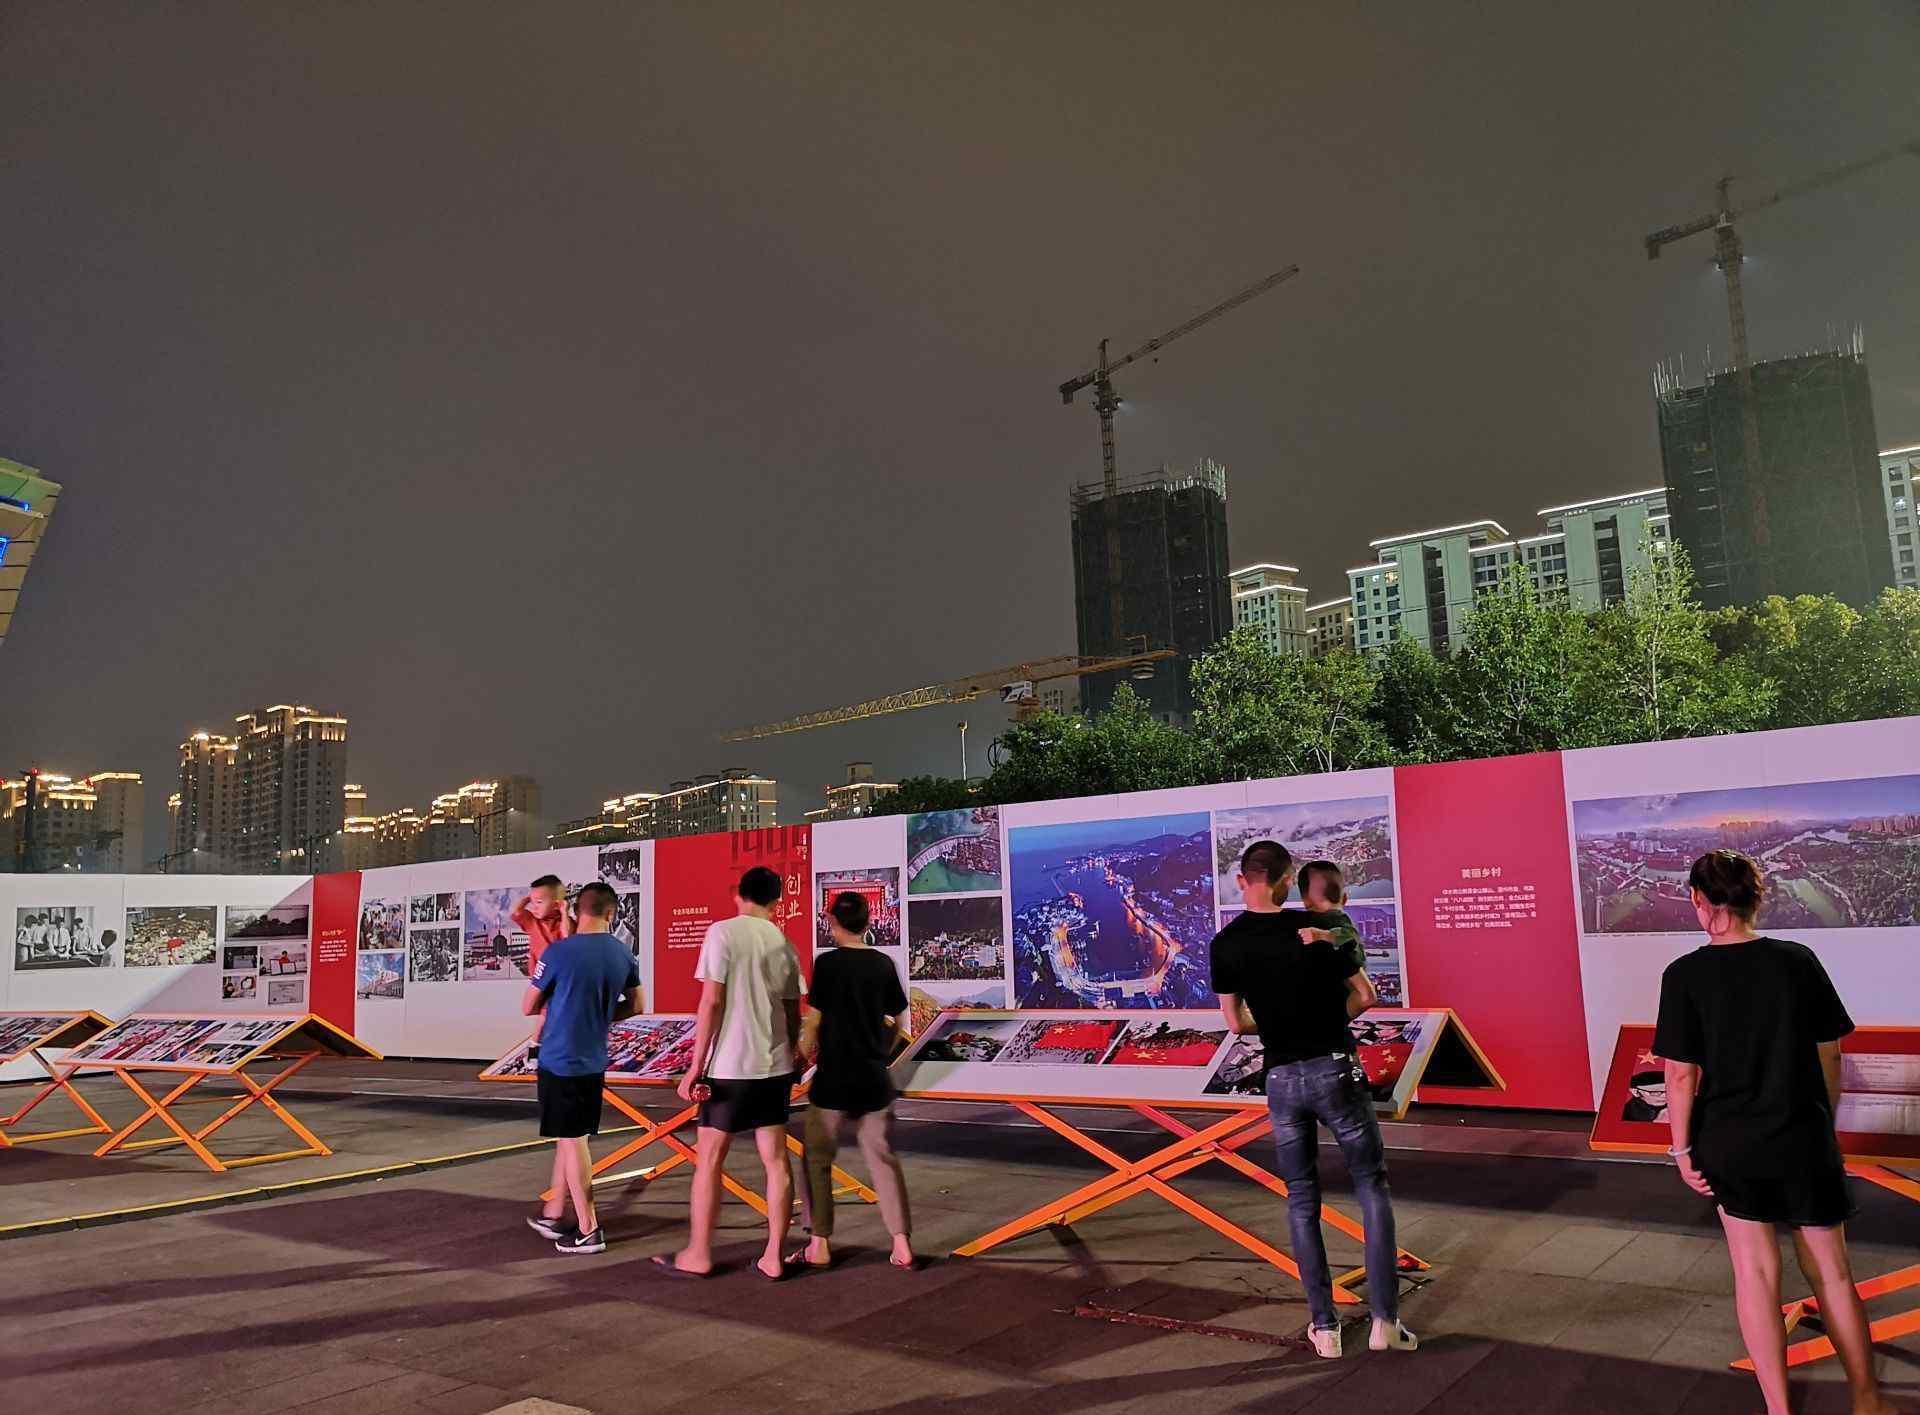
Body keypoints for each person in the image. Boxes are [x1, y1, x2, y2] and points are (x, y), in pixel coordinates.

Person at [1654, 850, 1891, 1415]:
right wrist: (1820, 1122)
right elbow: (1830, 1054)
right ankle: (1867, 1401)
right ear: (1755, 897)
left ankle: (1779, 1411)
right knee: (1833, 1274)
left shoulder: (1683, 975)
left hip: (1729, 1143)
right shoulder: (1797, 960)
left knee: (1755, 1274)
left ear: (1698, 900)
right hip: (1802, 1137)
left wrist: (1682, 1150)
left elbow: (1681, 1075)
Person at [1210, 839, 1415, 1360]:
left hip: (1281, 1079)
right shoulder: (1314, 930)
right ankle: (1385, 1322)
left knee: (1302, 1199)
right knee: (1371, 1186)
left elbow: (1235, 1023)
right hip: (1336, 1069)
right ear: (1287, 881)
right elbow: (1365, 995)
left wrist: (1278, 1025)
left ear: (1242, 881)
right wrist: (1324, 1021)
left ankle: (1325, 1329)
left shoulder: (1226, 944)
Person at [658, 866, 804, 1281]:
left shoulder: (722, 932)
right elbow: (792, 1008)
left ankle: (699, 1253)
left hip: (729, 1066)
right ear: (777, 900)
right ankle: (773, 1256)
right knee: (776, 1161)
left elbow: (711, 1002)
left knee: (709, 1160)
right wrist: (793, 1052)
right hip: (774, 1065)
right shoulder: (783, 942)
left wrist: (695, 1067)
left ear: (739, 894)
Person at [790, 890, 916, 1271]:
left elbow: (813, 1022)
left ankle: (819, 1245)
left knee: (817, 1158)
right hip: (874, 1079)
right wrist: (880, 1051)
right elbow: (900, 1021)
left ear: (832, 921)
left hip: (833, 1079)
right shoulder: (882, 964)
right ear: (868, 922)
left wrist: (799, 1060)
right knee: (882, 1157)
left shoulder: (827, 964)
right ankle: (901, 1244)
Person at [521, 881, 642, 1256]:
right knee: (571, 1137)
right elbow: (637, 1005)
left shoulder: (559, 952)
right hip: (592, 1059)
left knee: (572, 1141)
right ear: (611, 912)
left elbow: (528, 1005)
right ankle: (555, 1211)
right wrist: (599, 1015)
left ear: (577, 910)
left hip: (560, 1059)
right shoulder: (623, 954)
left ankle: (589, 1228)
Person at [512, 874, 575, 1063]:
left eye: (539, 902)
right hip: (541, 977)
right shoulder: (533, 922)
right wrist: (528, 899)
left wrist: (564, 912)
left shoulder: (564, 922)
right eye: (533, 903)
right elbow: (516, 912)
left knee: (552, 1011)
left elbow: (568, 936)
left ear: (556, 904)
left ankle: (539, 1045)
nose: (534, 907)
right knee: (544, 1011)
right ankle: (536, 1045)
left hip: (560, 977)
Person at [1284, 860, 1367, 976]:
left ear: (1305, 901)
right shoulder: (1318, 921)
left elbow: (1348, 935)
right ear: (1344, 899)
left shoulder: (1337, 919)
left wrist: (1321, 935)